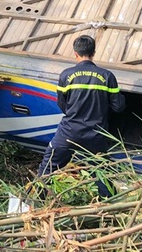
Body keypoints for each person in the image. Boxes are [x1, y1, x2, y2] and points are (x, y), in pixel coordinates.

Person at [37, 35, 125, 198]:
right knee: (101, 171)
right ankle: (107, 206)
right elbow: (119, 107)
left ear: (75, 53)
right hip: (96, 134)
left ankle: (34, 202)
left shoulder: (66, 75)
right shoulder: (107, 76)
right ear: (94, 53)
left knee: (47, 167)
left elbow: (62, 104)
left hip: (68, 132)